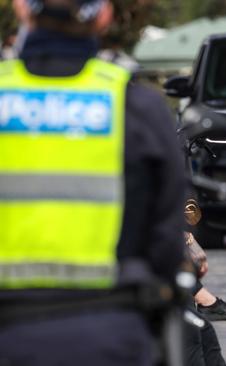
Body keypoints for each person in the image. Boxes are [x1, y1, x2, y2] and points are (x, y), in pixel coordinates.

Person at [0, 0, 187, 365]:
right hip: (111, 335)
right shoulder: (137, 108)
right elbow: (166, 242)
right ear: (104, 14)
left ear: (22, 9)